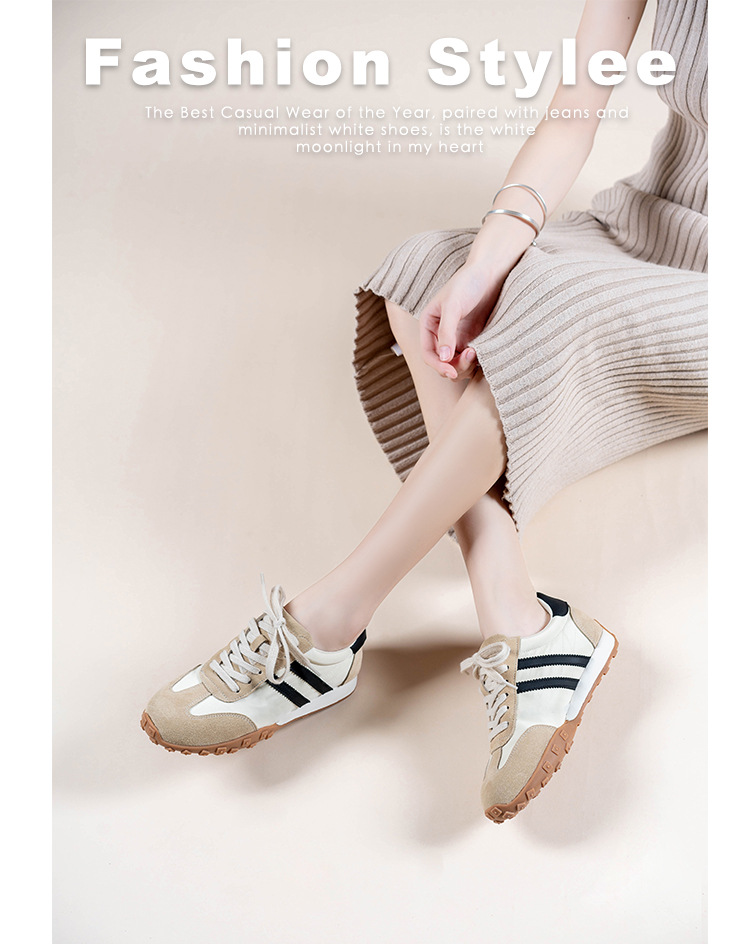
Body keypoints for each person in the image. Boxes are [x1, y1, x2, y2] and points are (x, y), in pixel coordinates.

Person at [141, 0, 707, 824]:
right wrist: (484, 261)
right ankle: (516, 613)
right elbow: (572, 116)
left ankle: (330, 620)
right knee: (424, 275)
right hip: (646, 225)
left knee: (557, 311)